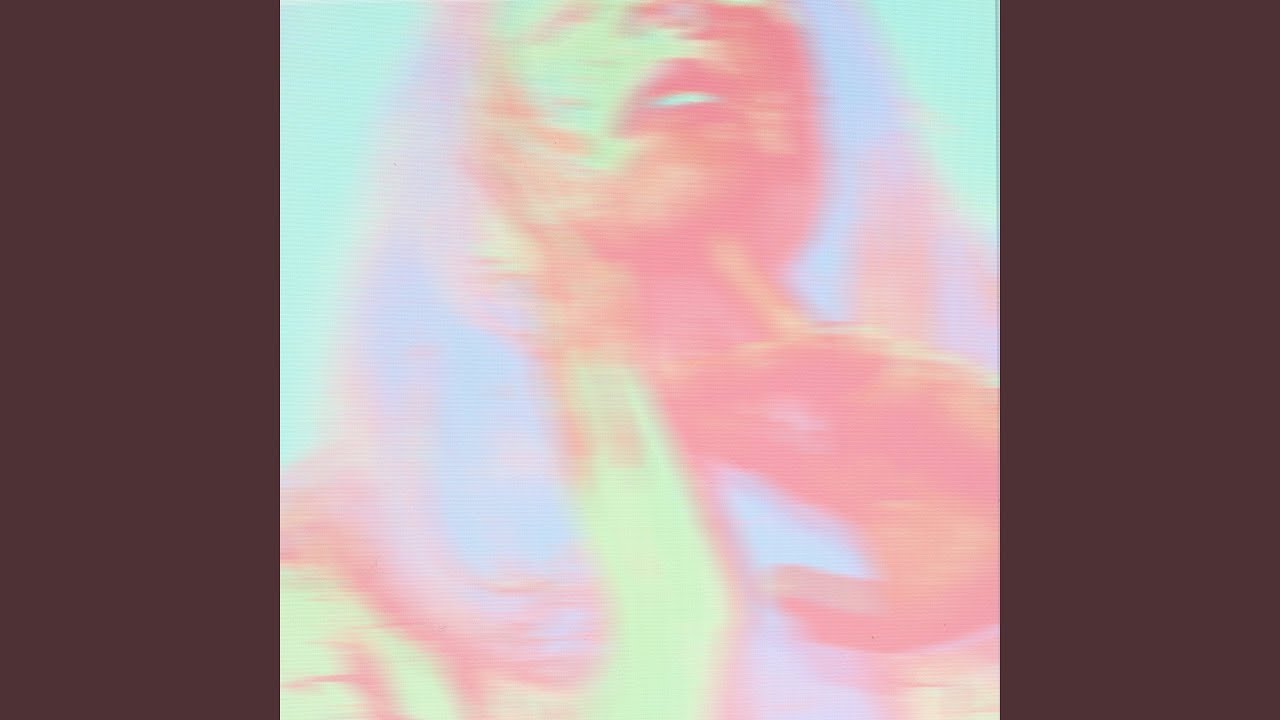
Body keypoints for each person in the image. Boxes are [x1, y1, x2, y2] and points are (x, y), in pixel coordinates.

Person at [281, 2, 999, 718]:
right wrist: (668, 646)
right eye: (572, 18)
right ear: (475, 147)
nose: (670, 14)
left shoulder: (952, 447)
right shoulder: (326, 603)